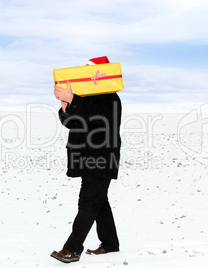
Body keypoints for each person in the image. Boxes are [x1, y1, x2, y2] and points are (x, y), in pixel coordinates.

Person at [50, 56, 122, 263]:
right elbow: (73, 123)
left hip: (102, 157)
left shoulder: (110, 97)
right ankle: (110, 244)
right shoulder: (86, 98)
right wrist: (66, 107)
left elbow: (98, 119)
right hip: (88, 157)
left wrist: (74, 100)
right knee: (100, 201)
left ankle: (71, 249)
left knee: (88, 201)